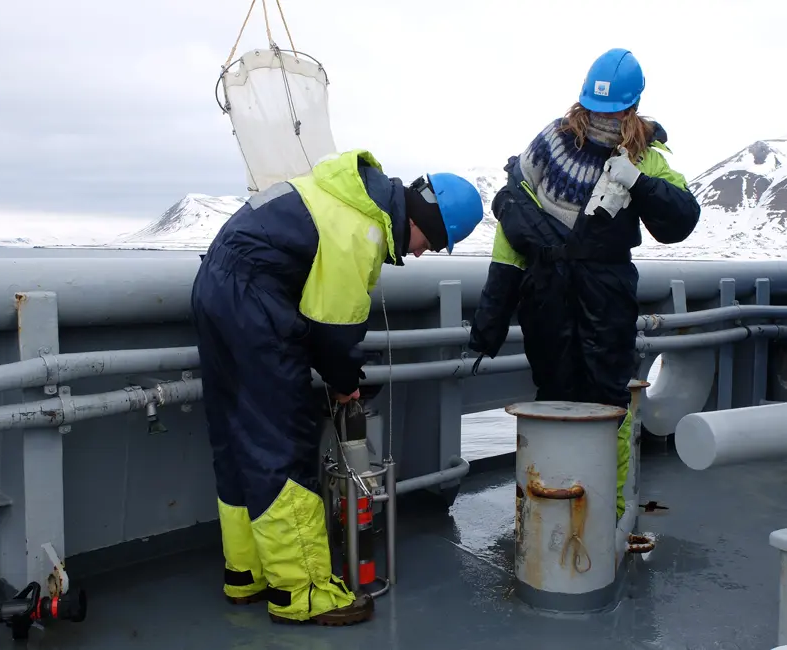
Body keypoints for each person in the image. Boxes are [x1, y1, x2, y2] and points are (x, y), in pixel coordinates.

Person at [191, 149, 483, 626]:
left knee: (236, 439)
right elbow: (336, 328)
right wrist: (347, 385)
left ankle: (246, 572)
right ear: (423, 218)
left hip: (217, 289)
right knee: (281, 445)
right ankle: (301, 592)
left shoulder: (348, 194)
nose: (418, 253)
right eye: (429, 241)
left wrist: (340, 371)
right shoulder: (360, 229)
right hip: (254, 306)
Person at [468, 48, 701, 520]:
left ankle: (606, 513)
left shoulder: (647, 159)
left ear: (632, 109)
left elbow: (681, 218)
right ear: (581, 103)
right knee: (553, 395)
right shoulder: (548, 146)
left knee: (608, 404)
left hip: (606, 296)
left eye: (612, 111)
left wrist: (639, 182)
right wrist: (489, 322)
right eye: (595, 109)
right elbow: (509, 233)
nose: (602, 119)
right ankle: (553, 505)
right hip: (547, 295)